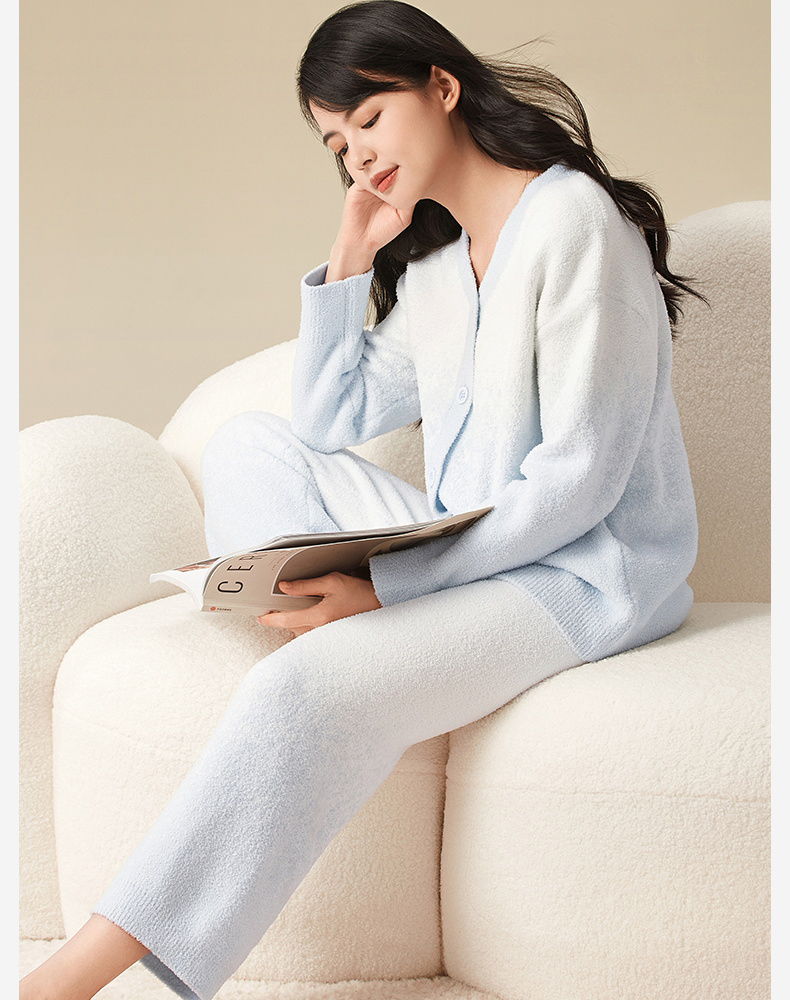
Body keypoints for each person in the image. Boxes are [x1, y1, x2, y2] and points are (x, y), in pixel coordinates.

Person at [19, 2, 709, 998]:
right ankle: (316, 605)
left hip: (584, 573)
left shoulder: (573, 222)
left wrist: (390, 587)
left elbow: (580, 480)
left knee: (298, 691)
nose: (359, 158)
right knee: (250, 441)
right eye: (337, 144)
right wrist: (351, 251)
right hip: (473, 550)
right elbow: (325, 414)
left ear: (442, 86)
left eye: (370, 119)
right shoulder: (440, 269)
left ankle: (69, 977)